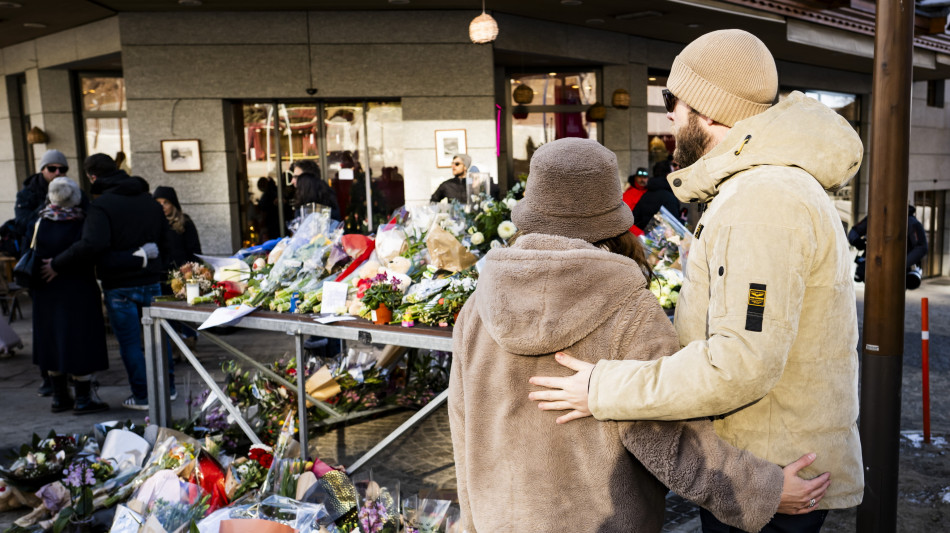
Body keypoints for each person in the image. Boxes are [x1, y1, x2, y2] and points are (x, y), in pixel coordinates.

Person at [529, 30, 864, 533]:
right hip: (765, 462)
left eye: (672, 99)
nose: (668, 114)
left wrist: (602, 388)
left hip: (769, 471)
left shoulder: (762, 200)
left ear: (709, 110)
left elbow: (740, 363)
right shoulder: (761, 187)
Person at [450, 137, 828, 532]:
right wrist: (762, 491)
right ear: (613, 215)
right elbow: (669, 440)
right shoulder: (628, 309)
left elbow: (463, 434)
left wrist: (472, 523)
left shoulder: (477, 307)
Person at [41, 154, 174, 411]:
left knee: (131, 343)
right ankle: (167, 390)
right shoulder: (150, 203)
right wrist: (146, 260)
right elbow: (166, 244)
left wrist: (57, 263)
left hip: (119, 284)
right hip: (150, 280)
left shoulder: (101, 206)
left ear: (93, 176)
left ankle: (144, 395)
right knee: (160, 340)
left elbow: (93, 244)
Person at [29, 177, 109, 414]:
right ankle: (84, 399)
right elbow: (87, 252)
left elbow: (30, 251)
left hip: (46, 291)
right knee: (79, 341)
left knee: (52, 341)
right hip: (78, 289)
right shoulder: (82, 221)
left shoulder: (40, 221)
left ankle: (59, 397)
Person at [13, 149, 70, 397]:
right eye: (52, 169)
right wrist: (49, 206)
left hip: (64, 267)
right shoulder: (28, 193)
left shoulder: (71, 189)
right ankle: (48, 377)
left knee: (67, 324)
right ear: (43, 169)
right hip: (38, 267)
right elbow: (21, 222)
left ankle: (71, 375)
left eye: (62, 169)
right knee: (44, 326)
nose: (57, 173)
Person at [848, 205, 928, 288]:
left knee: (892, 296)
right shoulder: (876, 216)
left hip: (895, 273)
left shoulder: (910, 222)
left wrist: (901, 265)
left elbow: (922, 247)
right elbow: (853, 233)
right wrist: (858, 242)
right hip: (874, 267)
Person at [153, 186, 201, 269]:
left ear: (173, 204)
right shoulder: (152, 222)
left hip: (182, 271)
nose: (162, 206)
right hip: (158, 272)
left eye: (166, 203)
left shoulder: (184, 221)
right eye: (158, 202)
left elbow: (194, 250)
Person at [623, 167, 650, 235]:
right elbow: (624, 217)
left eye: (645, 177)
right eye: (640, 177)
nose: (642, 180)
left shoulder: (650, 193)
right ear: (635, 178)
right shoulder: (628, 194)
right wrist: (639, 233)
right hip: (634, 232)